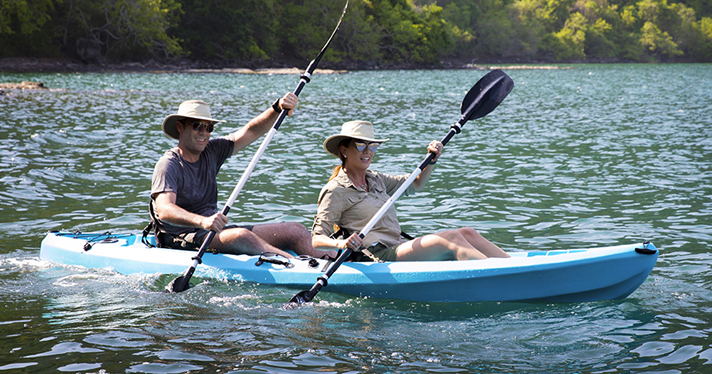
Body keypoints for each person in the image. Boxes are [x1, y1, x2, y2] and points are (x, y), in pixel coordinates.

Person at [151, 96, 332, 259]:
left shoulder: (212, 151)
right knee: (241, 236)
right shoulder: (169, 164)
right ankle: (295, 266)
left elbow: (250, 131)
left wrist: (277, 108)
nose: (204, 133)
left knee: (296, 230)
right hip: (181, 237)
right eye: (197, 125)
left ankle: (341, 262)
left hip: (213, 230)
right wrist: (203, 221)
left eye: (209, 127)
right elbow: (165, 210)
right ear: (180, 127)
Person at [311, 120, 510, 261]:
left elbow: (414, 184)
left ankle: (512, 266)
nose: (368, 152)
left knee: (468, 232)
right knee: (450, 238)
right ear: (344, 151)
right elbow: (317, 239)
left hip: (398, 245)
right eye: (361, 145)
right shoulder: (335, 190)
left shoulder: (376, 179)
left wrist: (432, 160)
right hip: (376, 256)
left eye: (372, 146)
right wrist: (342, 243)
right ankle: (499, 277)